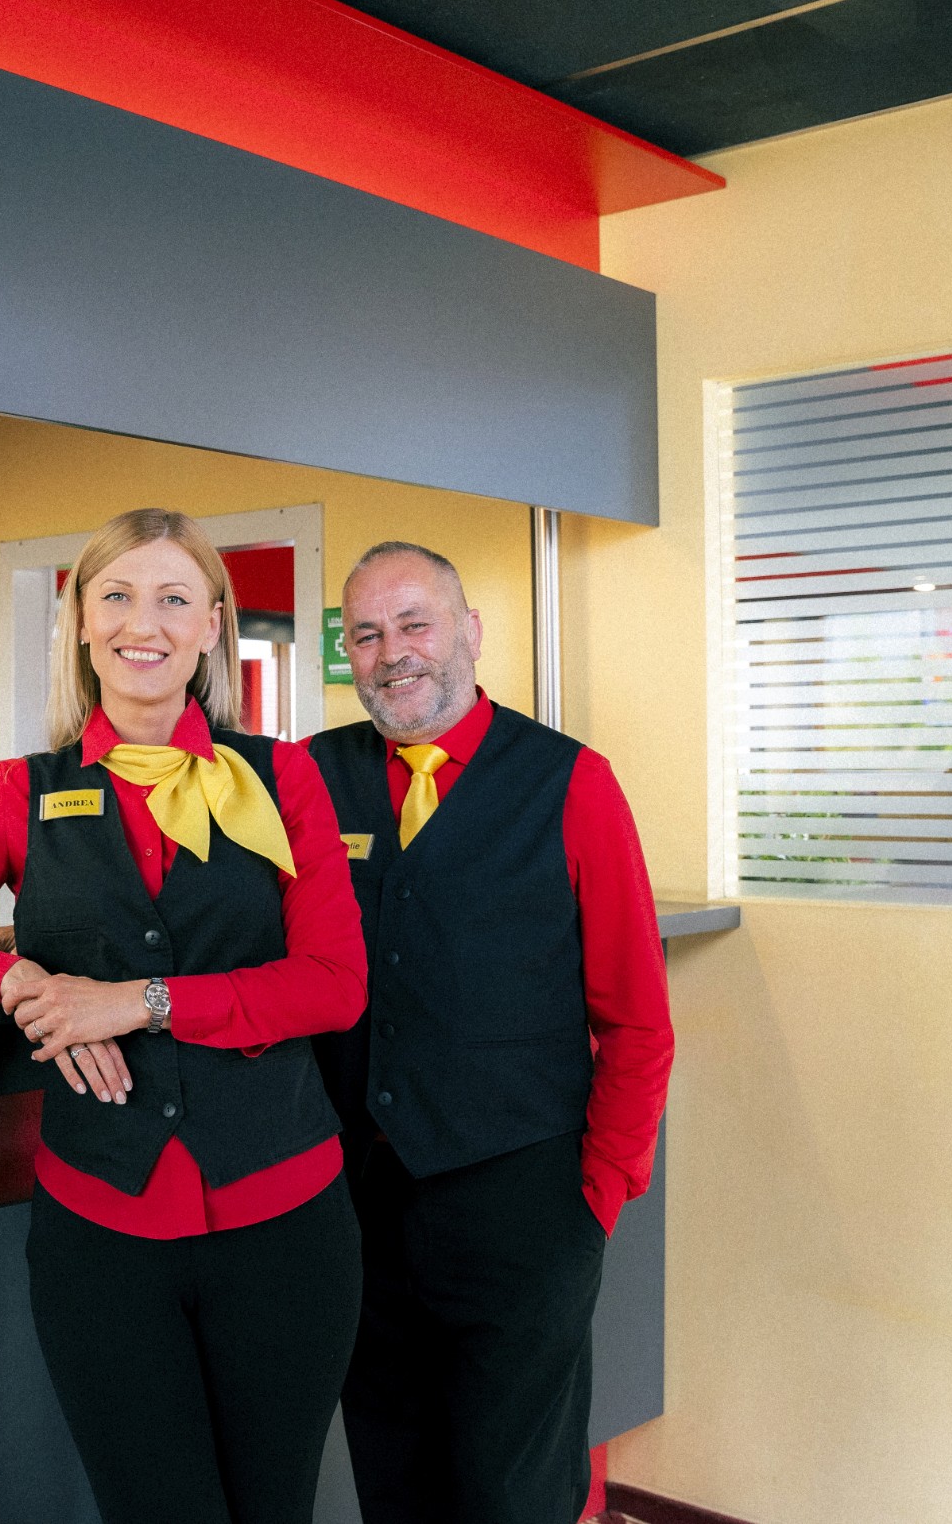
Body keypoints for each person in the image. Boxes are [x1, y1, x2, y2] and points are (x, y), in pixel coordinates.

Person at [0, 507, 368, 1524]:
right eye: (116, 594)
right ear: (80, 623)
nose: (144, 621)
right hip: (101, 1235)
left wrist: (135, 1000)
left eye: (174, 597)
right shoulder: (19, 794)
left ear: (212, 624)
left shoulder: (282, 778)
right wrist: (7, 982)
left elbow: (331, 982)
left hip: (287, 1224)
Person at [307, 541, 673, 1524]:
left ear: (468, 632)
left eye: (413, 623)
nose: (392, 652)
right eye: (366, 634)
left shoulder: (570, 783)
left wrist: (595, 1197)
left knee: (514, 1493)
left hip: (523, 1202)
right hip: (360, 1206)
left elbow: (637, 1019)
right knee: (392, 1474)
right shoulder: (307, 778)